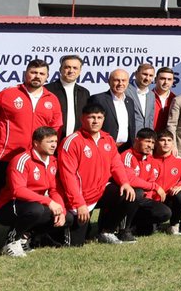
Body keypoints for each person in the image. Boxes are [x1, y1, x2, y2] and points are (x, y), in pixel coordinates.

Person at [0, 58, 63, 254]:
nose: (37, 76)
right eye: (33, 72)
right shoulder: (8, 94)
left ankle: (20, 238)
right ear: (25, 73)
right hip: (5, 156)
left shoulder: (51, 99)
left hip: (34, 159)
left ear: (47, 76)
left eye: (41, 73)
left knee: (32, 201)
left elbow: (55, 129)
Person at [58, 104, 135, 246]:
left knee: (128, 194)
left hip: (99, 191)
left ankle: (107, 231)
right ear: (82, 119)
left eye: (99, 117)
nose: (95, 121)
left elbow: (116, 164)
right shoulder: (72, 141)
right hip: (78, 198)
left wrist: (125, 182)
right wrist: (79, 203)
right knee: (75, 245)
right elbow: (67, 177)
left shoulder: (108, 139)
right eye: (91, 117)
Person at [0, 126, 66, 257]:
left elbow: (54, 189)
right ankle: (11, 242)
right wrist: (48, 201)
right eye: (49, 142)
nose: (54, 145)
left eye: (55, 141)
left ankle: (24, 238)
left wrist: (61, 210)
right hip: (7, 206)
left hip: (33, 206)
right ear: (36, 143)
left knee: (67, 217)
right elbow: (18, 191)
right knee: (36, 209)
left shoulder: (53, 161)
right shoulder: (22, 160)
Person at [108, 128, 170, 242]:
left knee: (165, 213)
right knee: (136, 192)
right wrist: (155, 187)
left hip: (142, 199)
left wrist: (151, 193)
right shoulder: (127, 156)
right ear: (137, 140)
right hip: (124, 198)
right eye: (147, 141)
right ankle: (123, 230)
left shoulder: (150, 159)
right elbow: (130, 180)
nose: (150, 145)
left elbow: (151, 180)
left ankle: (134, 224)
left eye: (152, 143)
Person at [136, 129, 181, 235]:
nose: (166, 143)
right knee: (146, 231)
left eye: (169, 140)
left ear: (173, 143)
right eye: (162, 140)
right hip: (152, 199)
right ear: (156, 143)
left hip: (169, 198)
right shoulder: (148, 159)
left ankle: (174, 225)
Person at [91, 68, 138, 152]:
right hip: (104, 148)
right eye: (117, 80)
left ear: (128, 82)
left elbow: (131, 126)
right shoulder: (98, 99)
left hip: (125, 149)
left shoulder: (129, 101)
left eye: (124, 80)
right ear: (109, 82)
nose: (120, 84)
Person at [50, 54, 90, 139]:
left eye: (75, 68)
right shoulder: (47, 90)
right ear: (60, 69)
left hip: (76, 142)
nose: (71, 71)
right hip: (51, 141)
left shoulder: (84, 93)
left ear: (80, 71)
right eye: (67, 67)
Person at [126, 63, 157, 132]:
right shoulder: (125, 91)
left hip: (145, 137)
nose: (147, 78)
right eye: (145, 74)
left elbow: (150, 119)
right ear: (136, 74)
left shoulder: (151, 95)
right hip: (129, 138)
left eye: (150, 75)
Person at [150, 67, 177, 133]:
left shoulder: (176, 99)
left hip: (167, 141)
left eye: (169, 79)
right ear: (156, 79)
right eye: (162, 79)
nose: (166, 82)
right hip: (150, 139)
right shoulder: (147, 97)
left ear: (173, 81)